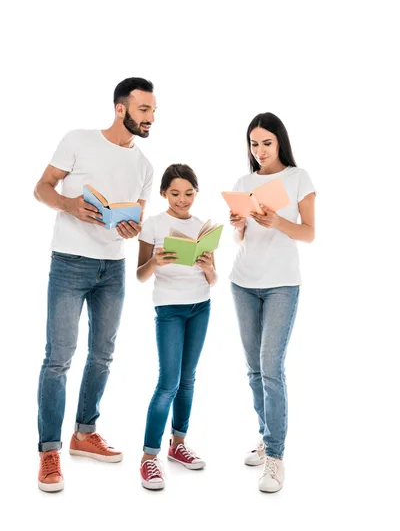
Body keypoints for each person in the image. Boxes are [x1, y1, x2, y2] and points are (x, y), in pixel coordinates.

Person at [34, 77, 156, 492]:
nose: (151, 118)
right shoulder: (78, 140)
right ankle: (49, 451)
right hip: (69, 262)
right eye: (144, 110)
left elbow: (136, 221)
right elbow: (41, 187)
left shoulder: (144, 165)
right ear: (121, 108)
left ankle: (84, 433)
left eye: (154, 112)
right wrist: (69, 204)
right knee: (58, 358)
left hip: (113, 269)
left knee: (103, 355)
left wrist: (128, 228)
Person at [229, 112, 316, 493]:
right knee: (253, 369)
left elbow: (309, 233)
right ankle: (265, 437)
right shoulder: (244, 182)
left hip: (281, 284)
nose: (260, 150)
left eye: (266, 142)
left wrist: (278, 222)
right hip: (243, 282)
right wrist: (239, 225)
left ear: (279, 141)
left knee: (270, 367)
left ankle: (276, 458)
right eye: (253, 143)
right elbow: (241, 240)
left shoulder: (298, 178)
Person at [136, 164, 217, 490]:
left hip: (201, 306)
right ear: (163, 194)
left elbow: (214, 279)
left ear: (196, 192)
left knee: (188, 380)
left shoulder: (202, 227)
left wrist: (208, 266)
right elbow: (141, 275)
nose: (182, 200)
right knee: (168, 382)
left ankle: (178, 443)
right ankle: (149, 458)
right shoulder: (154, 224)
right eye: (175, 194)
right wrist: (156, 261)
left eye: (188, 193)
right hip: (169, 309)